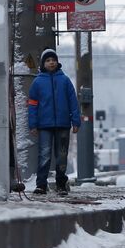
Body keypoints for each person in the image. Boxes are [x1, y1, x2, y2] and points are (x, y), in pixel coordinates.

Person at [28, 47, 80, 195]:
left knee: (61, 155)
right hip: (44, 126)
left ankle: (61, 184)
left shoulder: (65, 80)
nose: (51, 63)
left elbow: (73, 102)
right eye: (48, 60)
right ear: (43, 64)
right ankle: (41, 185)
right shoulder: (37, 82)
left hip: (63, 125)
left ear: (58, 63)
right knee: (44, 155)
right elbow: (32, 105)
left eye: (54, 60)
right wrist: (33, 124)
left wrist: (76, 121)